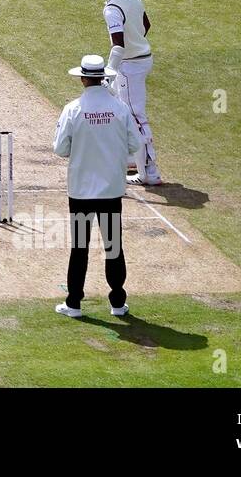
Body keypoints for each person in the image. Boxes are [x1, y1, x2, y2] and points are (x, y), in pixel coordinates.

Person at [52, 54, 142, 318]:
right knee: (113, 246)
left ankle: (74, 304)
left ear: (82, 79)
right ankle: (117, 303)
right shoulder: (120, 108)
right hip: (111, 190)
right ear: (102, 78)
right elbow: (135, 145)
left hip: (81, 190)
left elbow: (60, 149)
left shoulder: (73, 109)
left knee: (79, 247)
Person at [96, 0, 161, 185]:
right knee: (124, 111)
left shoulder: (112, 9)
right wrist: (136, 44)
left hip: (130, 66)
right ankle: (133, 159)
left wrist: (108, 73)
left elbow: (118, 46)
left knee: (136, 116)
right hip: (142, 58)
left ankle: (149, 173)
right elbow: (146, 26)